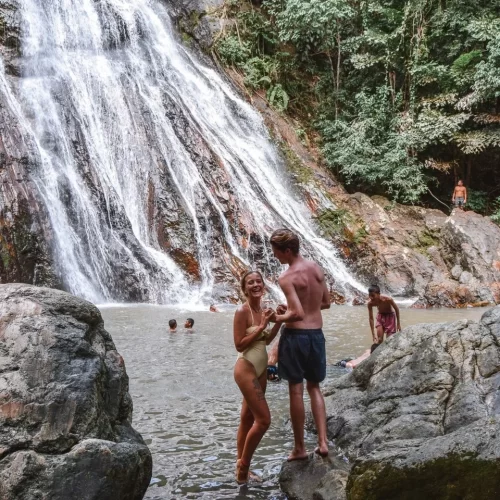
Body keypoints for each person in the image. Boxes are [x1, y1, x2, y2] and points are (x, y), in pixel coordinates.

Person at [270, 228, 331, 461]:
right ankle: (323, 443)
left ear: (287, 250)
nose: (275, 257)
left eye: (277, 252)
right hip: (316, 335)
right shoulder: (316, 268)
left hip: (296, 339)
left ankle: (299, 448)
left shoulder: (286, 277)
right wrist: (300, 308)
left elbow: (295, 314)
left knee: (295, 390)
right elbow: (325, 302)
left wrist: (276, 318)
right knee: (314, 387)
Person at [233, 270, 282, 484]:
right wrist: (262, 325)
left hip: (261, 368)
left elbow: (265, 340)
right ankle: (243, 469)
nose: (255, 285)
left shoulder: (262, 309)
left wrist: (277, 321)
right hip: (246, 368)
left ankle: (241, 465)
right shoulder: (242, 311)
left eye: (258, 281)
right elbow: (239, 344)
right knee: (264, 421)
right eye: (250, 282)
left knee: (247, 418)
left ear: (263, 285)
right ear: (244, 289)